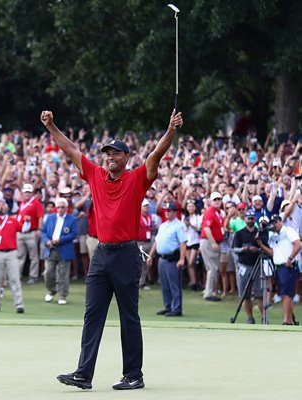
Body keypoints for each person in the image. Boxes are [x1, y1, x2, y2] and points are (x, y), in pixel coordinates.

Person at [41, 108, 183, 391]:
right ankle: (84, 374)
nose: (109, 157)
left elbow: (156, 154)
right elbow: (69, 148)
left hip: (127, 254)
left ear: (126, 158)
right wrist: (51, 126)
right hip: (102, 254)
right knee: (92, 314)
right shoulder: (94, 175)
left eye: (115, 154)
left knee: (129, 316)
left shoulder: (137, 178)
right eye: (107, 153)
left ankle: (134, 375)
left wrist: (171, 130)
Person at [0, 198, 30, 313]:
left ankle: (19, 304)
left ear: (7, 207)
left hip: (11, 252)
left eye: (3, 204)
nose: (1, 207)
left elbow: (24, 229)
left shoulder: (12, 220)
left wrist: (28, 222)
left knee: (15, 279)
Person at [256, 214, 301, 325]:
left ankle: (287, 321)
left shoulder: (288, 231)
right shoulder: (273, 236)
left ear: (280, 221)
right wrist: (261, 245)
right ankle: (289, 320)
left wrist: (290, 258)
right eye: (273, 223)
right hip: (279, 267)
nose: (274, 224)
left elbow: (297, 244)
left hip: (288, 266)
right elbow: (272, 252)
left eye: (276, 222)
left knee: (287, 294)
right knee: (285, 294)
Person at [148, 201, 187, 317]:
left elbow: (183, 243)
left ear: (175, 212)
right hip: (162, 258)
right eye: (166, 210)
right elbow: (157, 241)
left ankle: (176, 308)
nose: (167, 213)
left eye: (169, 211)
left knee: (174, 285)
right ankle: (168, 306)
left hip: (172, 259)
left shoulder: (179, 225)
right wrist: (151, 255)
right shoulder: (163, 225)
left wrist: (182, 259)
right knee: (164, 285)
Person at [41, 197, 78, 305]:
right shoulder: (50, 218)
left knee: (63, 274)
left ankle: (63, 295)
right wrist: (46, 241)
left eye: (62, 207)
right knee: (48, 272)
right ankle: (51, 290)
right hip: (51, 248)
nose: (60, 209)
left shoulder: (72, 219)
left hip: (64, 248)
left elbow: (74, 234)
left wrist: (61, 240)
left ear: (66, 208)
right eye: (58, 207)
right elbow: (43, 232)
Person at [232, 209, 263, 324]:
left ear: (254, 219)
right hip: (244, 265)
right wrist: (243, 249)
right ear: (245, 219)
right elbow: (234, 249)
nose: (250, 220)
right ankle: (250, 317)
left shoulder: (259, 233)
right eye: (248, 218)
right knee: (245, 294)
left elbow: (266, 249)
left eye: (252, 218)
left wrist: (258, 249)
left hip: (257, 265)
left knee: (260, 294)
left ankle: (264, 317)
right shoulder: (239, 233)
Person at [16, 183, 45, 284]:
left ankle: (33, 276)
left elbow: (40, 216)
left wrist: (39, 229)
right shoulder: (22, 203)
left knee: (33, 256)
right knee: (20, 255)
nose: (27, 194)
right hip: (20, 232)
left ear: (32, 193)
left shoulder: (36, 203)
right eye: (25, 192)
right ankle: (17, 275)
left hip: (31, 232)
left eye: (29, 192)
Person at [200, 191, 225, 302]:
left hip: (212, 241)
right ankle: (209, 293)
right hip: (209, 242)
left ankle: (209, 291)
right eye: (215, 199)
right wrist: (213, 242)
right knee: (212, 268)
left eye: (219, 199)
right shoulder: (210, 212)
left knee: (212, 268)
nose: (217, 201)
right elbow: (206, 228)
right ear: (210, 201)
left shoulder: (218, 212)